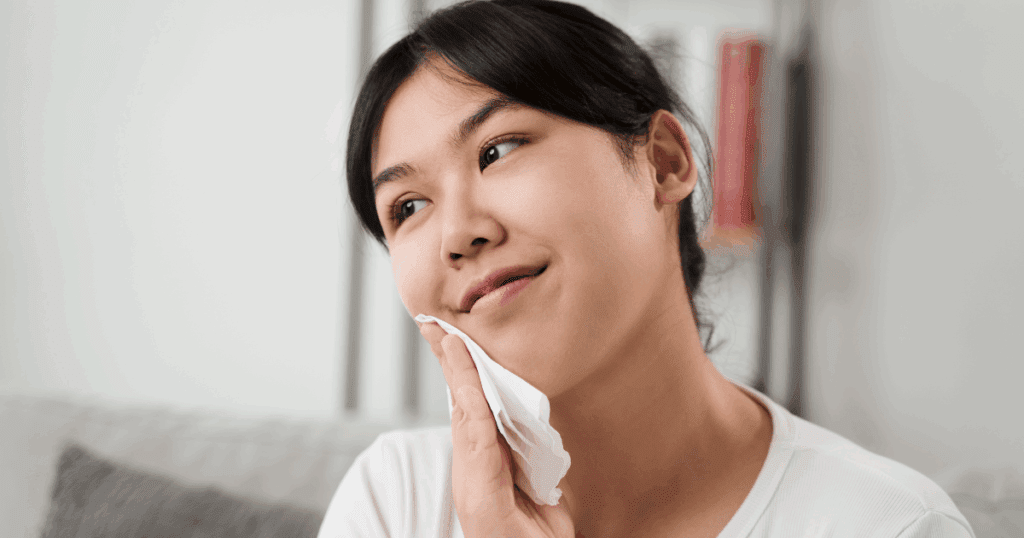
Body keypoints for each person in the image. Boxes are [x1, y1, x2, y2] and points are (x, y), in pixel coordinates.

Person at [318, 0, 974, 536]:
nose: (458, 235)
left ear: (662, 162)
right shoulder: (396, 501)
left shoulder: (889, 525)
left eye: (500, 148)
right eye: (406, 206)